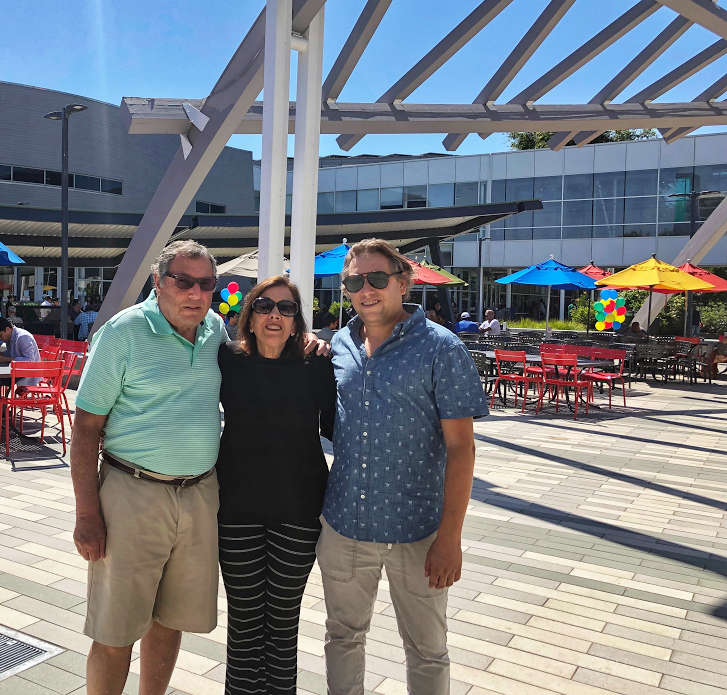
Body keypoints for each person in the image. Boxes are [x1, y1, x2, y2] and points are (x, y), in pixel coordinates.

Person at [319, 239, 487, 695]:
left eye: (377, 278)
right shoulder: (339, 343)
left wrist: (450, 539)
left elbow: (462, 449)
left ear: (403, 283)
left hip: (417, 532)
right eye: (355, 281)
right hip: (344, 525)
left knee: (428, 650)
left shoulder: (441, 348)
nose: (366, 289)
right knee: (342, 637)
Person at [70, 241, 228, 695]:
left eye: (205, 283)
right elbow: (84, 431)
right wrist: (87, 515)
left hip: (199, 496)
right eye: (183, 281)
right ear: (158, 283)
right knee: (116, 629)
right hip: (132, 494)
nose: (195, 293)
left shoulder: (215, 330)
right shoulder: (123, 333)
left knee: (170, 620)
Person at [217, 276, 335, 695]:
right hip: (236, 511)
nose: (274, 315)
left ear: (296, 321)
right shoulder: (227, 359)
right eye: (265, 306)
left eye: (286, 309)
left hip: (298, 512)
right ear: (249, 316)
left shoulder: (316, 364)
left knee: (283, 624)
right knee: (244, 622)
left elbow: (339, 428)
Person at [0, 316, 41, 386]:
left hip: (27, 374)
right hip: (16, 371)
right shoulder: (10, 336)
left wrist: (4, 359)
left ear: (7, 329)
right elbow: (11, 354)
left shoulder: (22, 337)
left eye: (0, 336)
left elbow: (30, 360)